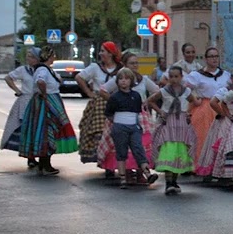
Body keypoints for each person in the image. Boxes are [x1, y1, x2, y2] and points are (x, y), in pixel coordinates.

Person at [95, 51, 160, 184]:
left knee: (141, 144)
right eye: (131, 63)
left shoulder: (143, 79)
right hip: (122, 116)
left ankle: (141, 173)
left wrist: (147, 102)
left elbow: (157, 91)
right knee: (124, 146)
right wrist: (115, 101)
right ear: (124, 64)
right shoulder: (119, 79)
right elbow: (102, 90)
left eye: (136, 63)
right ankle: (128, 173)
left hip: (140, 117)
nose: (135, 65)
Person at [18, 44, 79, 175]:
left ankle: (43, 163)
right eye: (53, 55)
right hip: (45, 103)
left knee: (46, 131)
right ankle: (45, 164)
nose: (55, 57)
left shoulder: (46, 69)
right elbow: (40, 81)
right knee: (47, 131)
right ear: (49, 57)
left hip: (45, 102)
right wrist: (45, 95)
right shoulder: (43, 70)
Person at [185, 46, 232, 181]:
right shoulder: (197, 75)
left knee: (222, 139)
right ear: (206, 59)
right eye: (211, 56)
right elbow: (185, 90)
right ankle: (204, 168)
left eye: (216, 56)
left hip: (222, 107)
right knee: (204, 139)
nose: (214, 59)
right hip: (205, 109)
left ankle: (220, 169)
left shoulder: (226, 75)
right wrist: (194, 99)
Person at [147, 65, 196, 194]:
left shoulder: (186, 91)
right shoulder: (164, 91)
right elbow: (150, 101)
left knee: (179, 152)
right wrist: (160, 112)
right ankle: (168, 183)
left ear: (181, 77)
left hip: (181, 125)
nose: (174, 79)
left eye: (176, 76)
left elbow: (194, 101)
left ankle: (174, 181)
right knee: (169, 152)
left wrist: (188, 112)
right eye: (171, 77)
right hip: (168, 123)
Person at [77, 42, 123, 170]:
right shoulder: (95, 67)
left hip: (116, 103)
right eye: (101, 51)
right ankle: (104, 161)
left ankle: (113, 162)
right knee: (100, 132)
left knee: (115, 133)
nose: (100, 53)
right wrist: (89, 93)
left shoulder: (120, 69)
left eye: (103, 51)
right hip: (99, 104)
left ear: (110, 53)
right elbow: (79, 77)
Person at [197, 88, 233, 189]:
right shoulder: (228, 91)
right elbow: (215, 102)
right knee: (224, 145)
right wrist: (224, 114)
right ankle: (222, 174)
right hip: (228, 120)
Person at [1, 47, 41, 166]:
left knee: (38, 129)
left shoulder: (42, 70)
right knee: (27, 128)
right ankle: (30, 157)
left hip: (39, 101)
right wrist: (17, 90)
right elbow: (8, 78)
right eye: (27, 56)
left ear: (37, 58)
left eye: (31, 56)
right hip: (26, 101)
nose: (28, 58)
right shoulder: (23, 70)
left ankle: (39, 155)